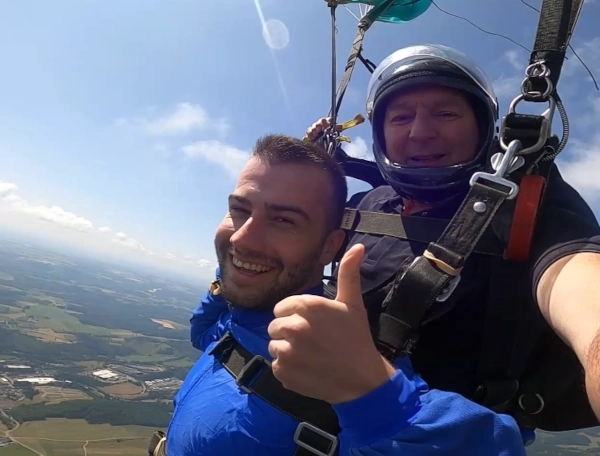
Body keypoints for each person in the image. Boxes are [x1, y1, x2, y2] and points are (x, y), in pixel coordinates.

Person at [292, 43, 600, 442]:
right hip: (315, 416)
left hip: (443, 440)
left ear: (482, 128)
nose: (420, 132)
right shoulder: (369, 202)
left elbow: (577, 278)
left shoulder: (523, 208)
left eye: (446, 113)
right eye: (401, 117)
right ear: (381, 135)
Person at [160, 133, 527, 456]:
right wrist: (233, 278)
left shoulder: (341, 362)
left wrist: (372, 392)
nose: (241, 237)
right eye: (239, 210)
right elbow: (201, 331)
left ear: (328, 249)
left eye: (283, 220)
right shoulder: (238, 321)